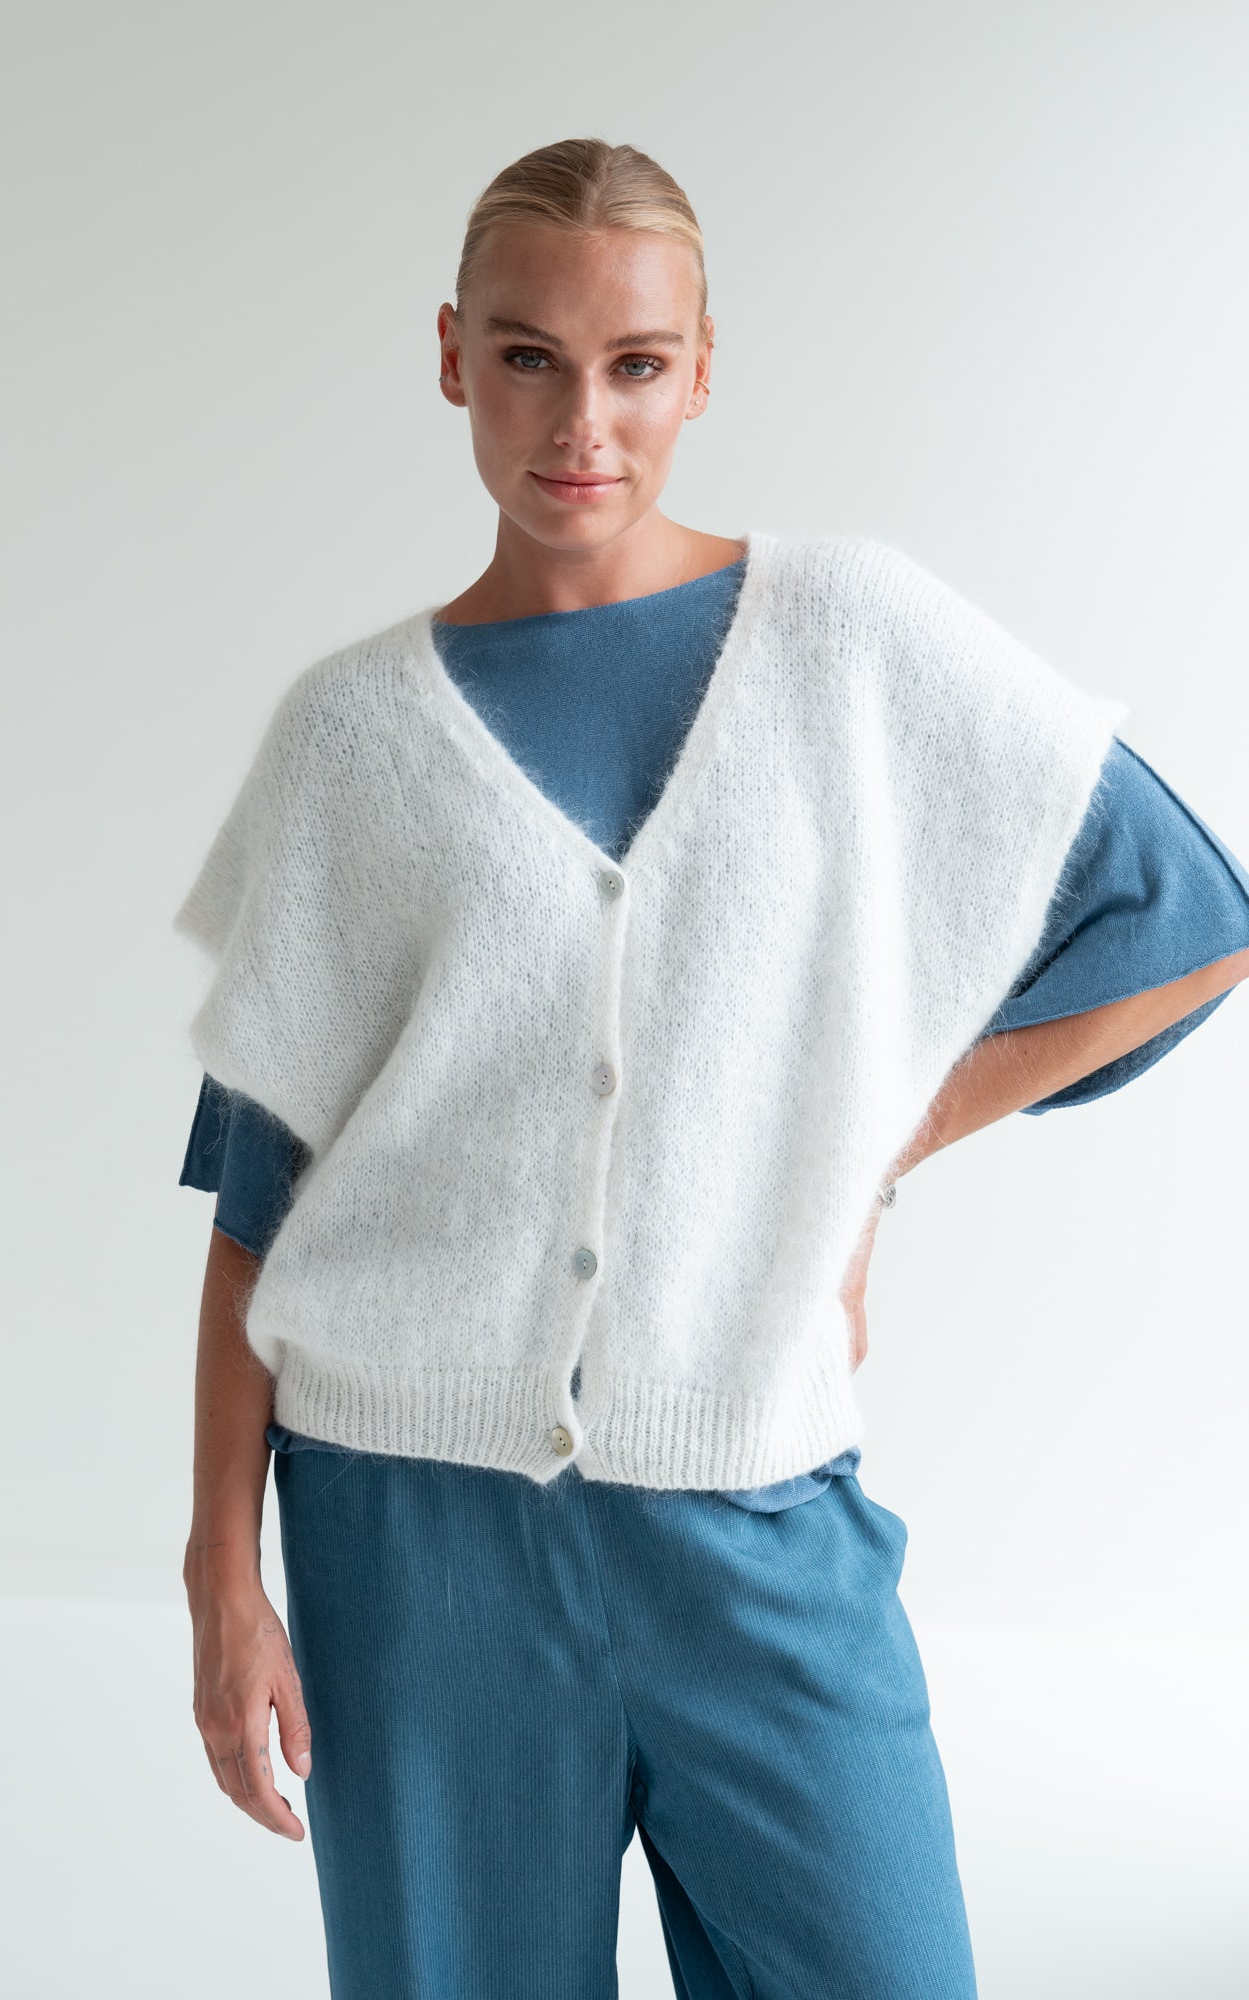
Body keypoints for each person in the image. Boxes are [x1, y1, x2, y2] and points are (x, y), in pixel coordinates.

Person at [174, 139, 1249, 2000]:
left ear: (700, 369)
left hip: (755, 1508)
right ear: (450, 354)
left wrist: (868, 1154)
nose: (578, 420)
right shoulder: (347, 739)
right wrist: (220, 1575)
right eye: (527, 356)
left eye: (635, 364)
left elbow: (1186, 920)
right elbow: (261, 1201)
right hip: (408, 1546)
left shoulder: (851, 634)